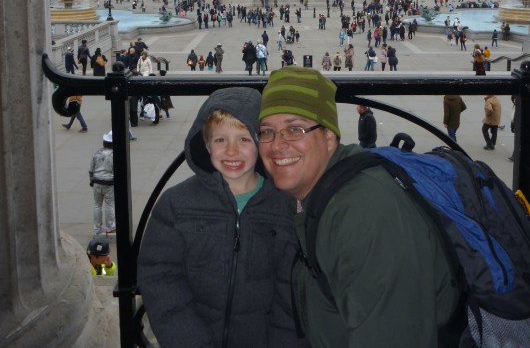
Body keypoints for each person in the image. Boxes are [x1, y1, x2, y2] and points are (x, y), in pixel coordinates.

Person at [257, 67, 461, 348]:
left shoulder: (365, 214)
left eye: (295, 129)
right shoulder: (318, 194)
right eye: (267, 132)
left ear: (329, 138)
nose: (276, 145)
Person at [137, 88, 305, 348]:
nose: (231, 151)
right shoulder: (176, 205)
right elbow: (159, 277)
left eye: (244, 139)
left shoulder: (285, 208)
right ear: (205, 144)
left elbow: (292, 291)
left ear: (261, 144)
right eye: (220, 140)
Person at [89, 131, 115, 234]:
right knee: (109, 204)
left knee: (97, 205)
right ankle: (110, 226)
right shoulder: (113, 155)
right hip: (108, 182)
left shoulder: (96, 153)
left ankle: (97, 228)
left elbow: (91, 169)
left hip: (97, 181)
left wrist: (91, 180)